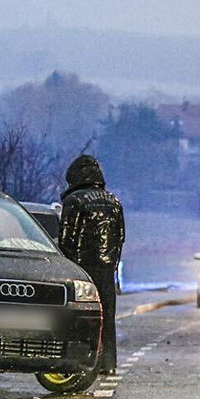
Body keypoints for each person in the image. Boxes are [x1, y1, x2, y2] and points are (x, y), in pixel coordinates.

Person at [59, 153, 125, 374]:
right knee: (107, 316)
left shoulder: (74, 201)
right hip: (107, 268)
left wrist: (67, 263)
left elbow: (67, 237)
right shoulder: (114, 202)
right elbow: (121, 236)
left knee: (80, 315)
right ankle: (108, 363)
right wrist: (113, 263)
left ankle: (82, 361)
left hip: (81, 267)